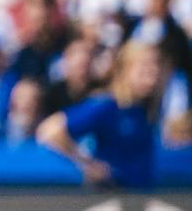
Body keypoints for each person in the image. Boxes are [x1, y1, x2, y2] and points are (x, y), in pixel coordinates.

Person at [37, 41, 166, 189]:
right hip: (115, 195)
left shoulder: (146, 108)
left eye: (157, 65)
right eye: (145, 66)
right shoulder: (106, 105)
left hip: (144, 195)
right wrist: (87, 164)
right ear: (125, 69)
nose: (153, 72)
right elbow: (50, 131)